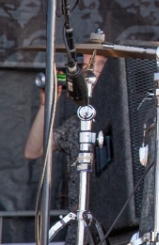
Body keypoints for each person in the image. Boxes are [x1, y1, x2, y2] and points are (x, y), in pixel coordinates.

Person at [24, 54, 107, 245]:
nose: (79, 74)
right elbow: (33, 151)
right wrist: (47, 105)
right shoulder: (76, 124)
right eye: (79, 67)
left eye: (89, 67)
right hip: (77, 232)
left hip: (110, 229)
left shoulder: (123, 120)